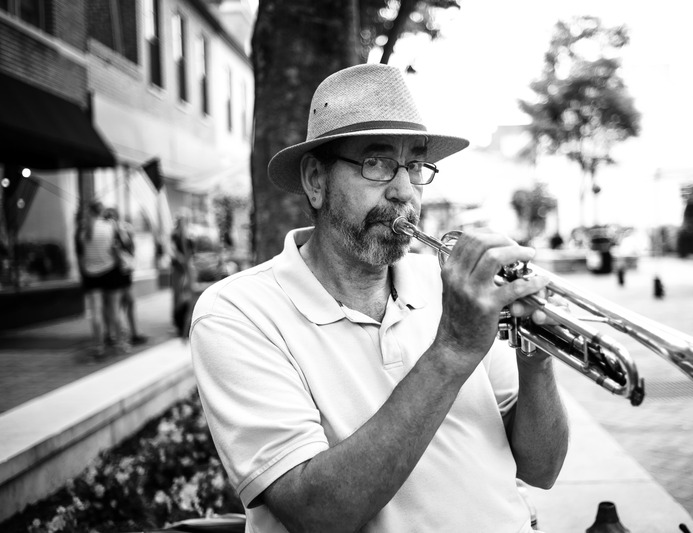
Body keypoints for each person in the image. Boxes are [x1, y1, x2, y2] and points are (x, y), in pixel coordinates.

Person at [190, 64, 569, 532]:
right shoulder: (237, 312)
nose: (404, 190)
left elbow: (541, 469)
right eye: (376, 162)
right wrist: (452, 350)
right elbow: (314, 514)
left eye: (415, 166)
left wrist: (537, 358)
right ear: (316, 180)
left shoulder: (448, 283)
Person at [74, 200, 125, 358]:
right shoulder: (110, 226)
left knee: (95, 312)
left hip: (90, 274)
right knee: (115, 310)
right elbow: (118, 248)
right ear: (101, 211)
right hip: (111, 271)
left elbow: (80, 257)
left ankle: (98, 346)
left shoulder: (81, 230)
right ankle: (119, 343)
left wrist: (84, 271)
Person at [104, 207, 148, 346]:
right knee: (114, 305)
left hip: (125, 273)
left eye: (113, 216)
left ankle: (132, 333)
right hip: (114, 273)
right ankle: (114, 335)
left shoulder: (124, 230)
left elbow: (131, 248)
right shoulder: (107, 232)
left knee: (129, 302)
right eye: (109, 217)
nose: (112, 219)